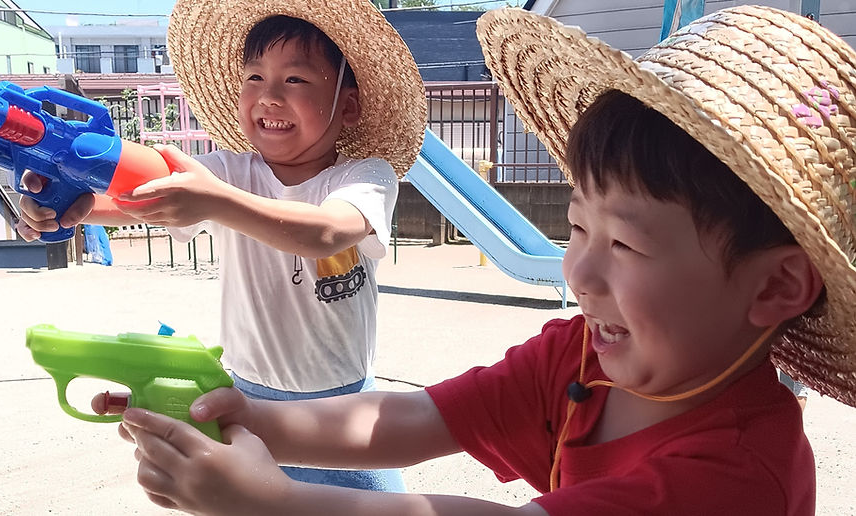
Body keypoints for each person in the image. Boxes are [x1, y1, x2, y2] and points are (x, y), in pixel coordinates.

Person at [98, 5, 856, 515]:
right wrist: (250, 417)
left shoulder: (735, 473)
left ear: (776, 284)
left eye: (626, 244)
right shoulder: (581, 356)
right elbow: (418, 414)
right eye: (578, 228)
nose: (578, 273)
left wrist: (278, 503)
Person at [17, 0, 426, 493]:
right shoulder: (226, 172)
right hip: (246, 398)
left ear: (348, 106)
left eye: (295, 79)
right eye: (254, 77)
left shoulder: (365, 177)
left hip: (343, 406)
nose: (269, 96)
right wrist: (73, 205)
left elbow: (326, 233)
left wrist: (215, 200)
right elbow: (139, 197)